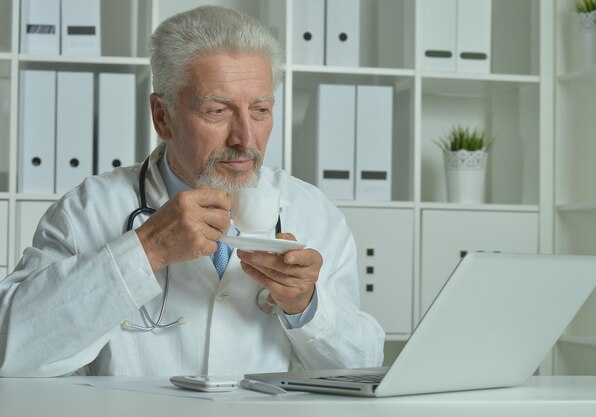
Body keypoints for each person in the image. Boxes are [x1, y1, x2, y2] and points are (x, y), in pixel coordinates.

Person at [0, 5, 384, 377]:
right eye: (218, 111)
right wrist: (146, 250)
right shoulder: (86, 211)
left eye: (260, 110)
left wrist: (306, 305)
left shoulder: (315, 213)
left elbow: (362, 366)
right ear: (162, 117)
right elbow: (11, 350)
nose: (245, 138)